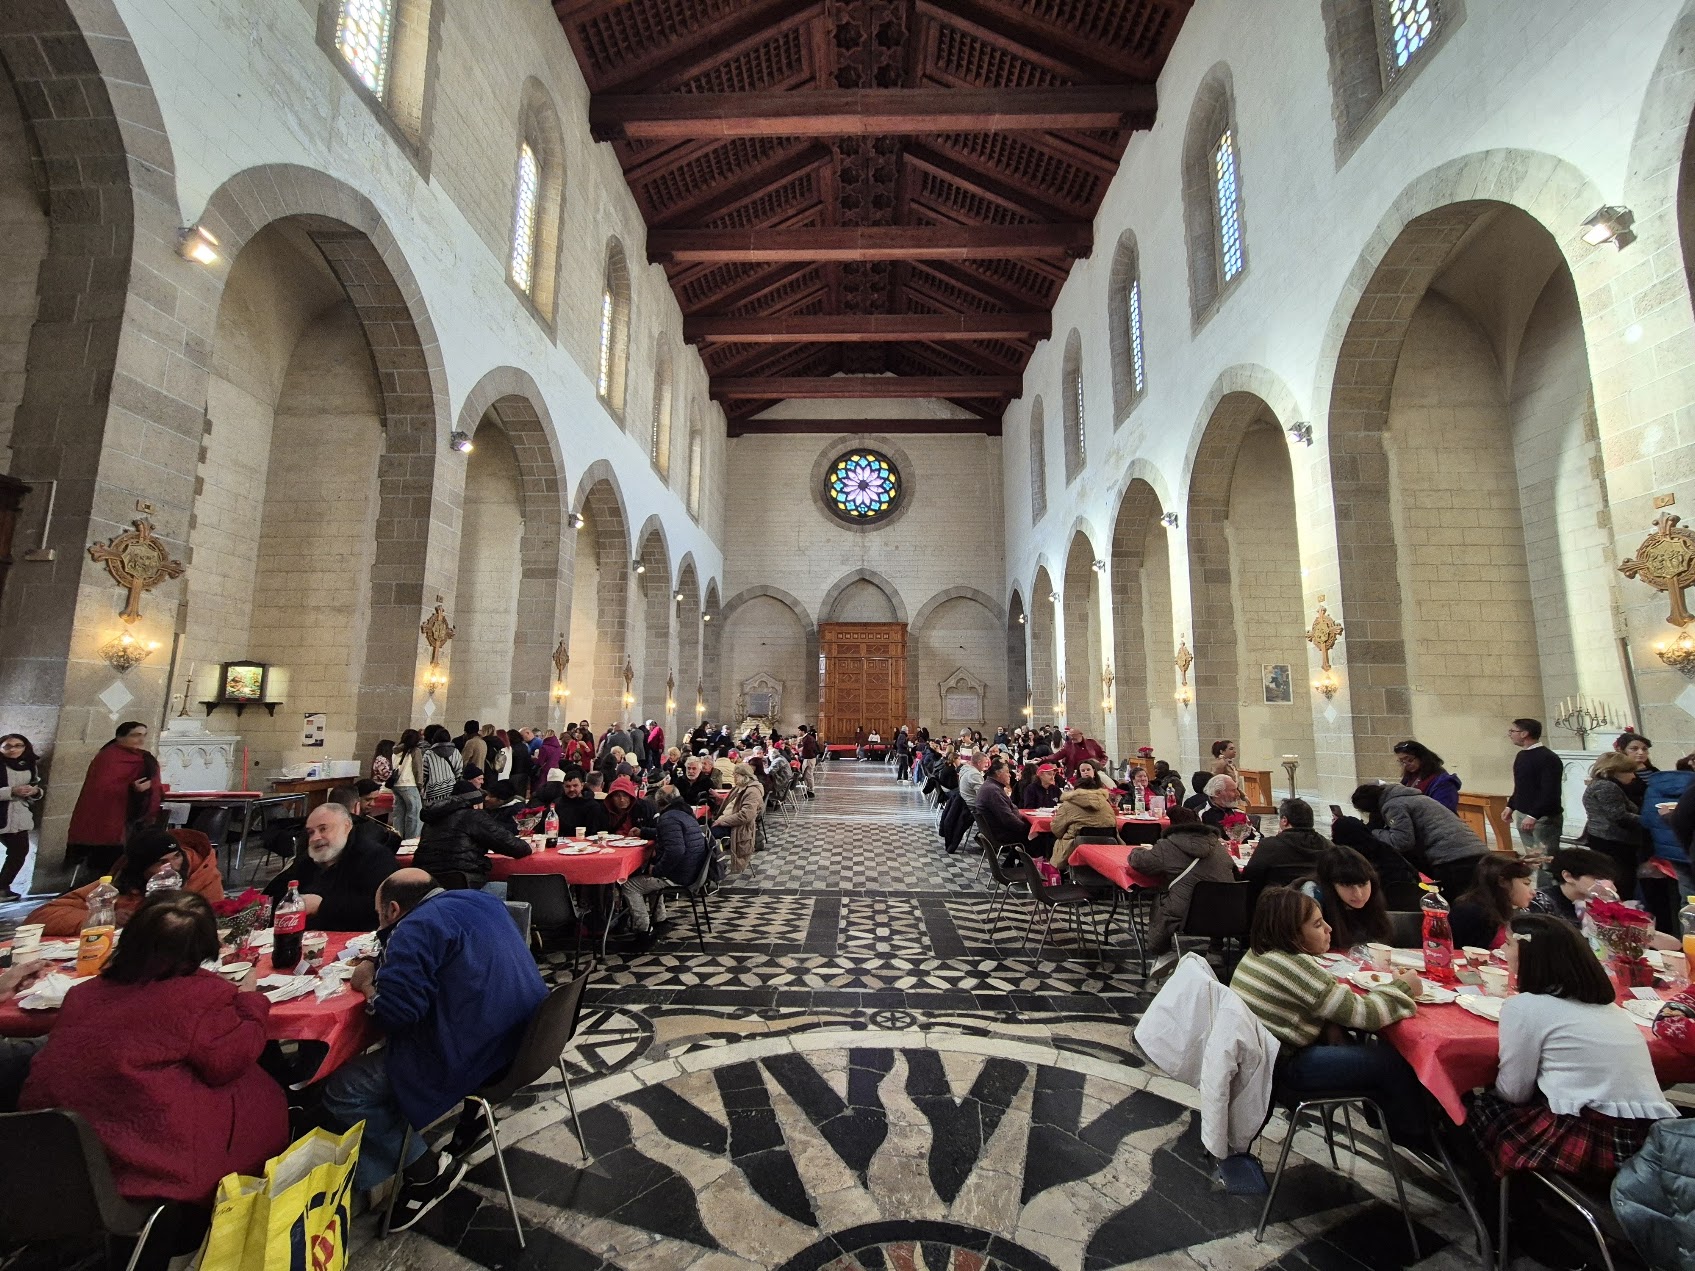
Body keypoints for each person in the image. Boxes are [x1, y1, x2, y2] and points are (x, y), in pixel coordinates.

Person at [20, 891, 289, 1216]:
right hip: (146, 1169)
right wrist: (251, 1000)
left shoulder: (81, 994)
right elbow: (228, 1061)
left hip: (51, 1156)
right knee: (260, 1094)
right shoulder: (201, 996)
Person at [321, 871, 546, 1221]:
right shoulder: (482, 900)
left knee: (344, 1088)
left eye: (380, 917)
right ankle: (388, 1155)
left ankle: (427, 1174)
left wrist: (367, 984)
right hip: (530, 1036)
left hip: (480, 1053)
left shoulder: (415, 928)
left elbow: (395, 1015)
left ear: (393, 909)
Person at [1467, 913, 1676, 1178]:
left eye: (1508, 944)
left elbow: (1514, 1092)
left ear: (1528, 955)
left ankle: (1497, 1204)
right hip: (1647, 1139)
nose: (1501, 950)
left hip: (1584, 1139)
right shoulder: (1611, 1009)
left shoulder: (1524, 1006)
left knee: (1475, 1109)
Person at [1231, 886, 1427, 1143]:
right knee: (1393, 1060)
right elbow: (1365, 1014)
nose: (1329, 929)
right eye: (1317, 924)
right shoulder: (1295, 967)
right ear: (1292, 934)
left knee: (1366, 1049)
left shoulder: (1262, 954)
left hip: (1264, 1062)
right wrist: (1404, 988)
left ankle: (1389, 1118)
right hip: (1286, 1069)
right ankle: (1417, 1134)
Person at [29, 826, 224, 936]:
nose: (173, 867)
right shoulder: (119, 883)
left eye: (176, 857)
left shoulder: (203, 877)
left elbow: (216, 923)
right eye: (161, 862)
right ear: (142, 869)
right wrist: (103, 918)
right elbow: (41, 917)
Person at [263, 802, 399, 930]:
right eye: (311, 832)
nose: (316, 837)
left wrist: (321, 906)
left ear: (347, 826)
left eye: (323, 829)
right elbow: (271, 897)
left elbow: (376, 910)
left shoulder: (375, 857)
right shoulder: (307, 861)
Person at [1341, 782, 1487, 901]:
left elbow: (1402, 841)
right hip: (1474, 851)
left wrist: (1373, 832)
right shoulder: (1409, 797)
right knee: (1482, 901)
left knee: (1460, 903)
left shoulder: (1393, 805)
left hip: (1453, 857)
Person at [1129, 807, 1235, 962]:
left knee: (1162, 900)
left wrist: (1136, 850)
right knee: (1216, 890)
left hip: (1186, 914)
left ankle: (1163, 953)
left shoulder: (1167, 846)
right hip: (1227, 912)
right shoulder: (1217, 845)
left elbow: (1141, 863)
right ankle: (1215, 950)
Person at [65, 720, 162, 878]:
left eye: (144, 736)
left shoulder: (144, 758)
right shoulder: (108, 757)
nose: (141, 740)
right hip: (107, 818)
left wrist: (147, 788)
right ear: (119, 736)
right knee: (102, 867)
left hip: (132, 819)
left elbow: (152, 784)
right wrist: (135, 790)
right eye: (135, 735)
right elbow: (101, 789)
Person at [620, 788, 710, 943]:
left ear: (659, 802)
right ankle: (660, 920)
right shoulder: (684, 813)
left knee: (629, 885)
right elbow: (668, 834)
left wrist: (657, 869)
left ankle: (643, 932)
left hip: (680, 875)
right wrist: (643, 832)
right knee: (650, 880)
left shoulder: (668, 818)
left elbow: (676, 850)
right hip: (695, 871)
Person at [414, 779, 531, 890]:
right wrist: (528, 846)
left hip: (426, 883)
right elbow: (513, 846)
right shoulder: (474, 816)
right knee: (512, 889)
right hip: (463, 881)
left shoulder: (432, 819)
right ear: (475, 803)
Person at [1297, 846, 1393, 951]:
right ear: (1330, 885)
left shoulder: (1373, 898)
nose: (1358, 894)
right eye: (1347, 885)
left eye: (1363, 884)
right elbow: (1308, 947)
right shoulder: (1313, 896)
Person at [1581, 751, 1647, 891]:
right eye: (1629, 772)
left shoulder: (1601, 784)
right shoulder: (1607, 787)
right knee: (1621, 882)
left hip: (1604, 838)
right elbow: (1619, 816)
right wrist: (1650, 820)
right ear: (1615, 772)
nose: (1633, 776)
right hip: (1613, 842)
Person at [1450, 852, 1535, 950]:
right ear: (1503, 882)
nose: (1533, 892)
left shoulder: (1506, 911)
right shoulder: (1471, 912)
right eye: (1526, 883)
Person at [1243, 798, 1330, 893]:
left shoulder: (1269, 846)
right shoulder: (1328, 845)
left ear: (1284, 820)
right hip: (1318, 903)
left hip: (1280, 903)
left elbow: (1249, 878)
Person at [1505, 717, 1563, 859]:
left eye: (1513, 731)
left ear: (1525, 733)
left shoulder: (1548, 757)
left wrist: (1533, 815)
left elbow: (1550, 791)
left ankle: (1549, 883)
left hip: (1543, 818)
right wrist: (1510, 806)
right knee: (1533, 859)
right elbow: (1521, 785)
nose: (1510, 734)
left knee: (1546, 860)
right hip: (1525, 814)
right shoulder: (1522, 755)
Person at [1528, 846, 1621, 928]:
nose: (1609, 886)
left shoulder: (1599, 904)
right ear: (1568, 876)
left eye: (1610, 880)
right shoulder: (1539, 902)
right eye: (1598, 879)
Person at [0, 732, 44, 900]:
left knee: (19, 851)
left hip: (18, 814)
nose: (13, 749)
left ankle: (3, 887)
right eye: (8, 746)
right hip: (3, 811)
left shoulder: (29, 764)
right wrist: (11, 791)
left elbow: (35, 784)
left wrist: (34, 791)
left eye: (18, 745)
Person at [1051, 768, 1117, 867]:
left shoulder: (1068, 805)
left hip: (1074, 851)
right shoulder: (1106, 804)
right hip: (1107, 850)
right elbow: (1114, 824)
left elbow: (1057, 830)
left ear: (1075, 789)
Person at [713, 763, 763, 874]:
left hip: (737, 827)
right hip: (726, 820)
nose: (733, 777)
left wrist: (722, 821)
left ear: (743, 776)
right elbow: (732, 805)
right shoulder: (739, 788)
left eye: (735, 775)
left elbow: (745, 815)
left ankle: (713, 866)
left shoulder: (752, 791)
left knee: (708, 836)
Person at [975, 756, 1031, 849]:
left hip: (995, 830)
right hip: (1000, 833)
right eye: (1007, 772)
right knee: (1041, 836)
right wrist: (1027, 828)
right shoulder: (993, 791)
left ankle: (1012, 861)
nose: (1010, 775)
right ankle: (1032, 862)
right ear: (998, 773)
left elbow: (1012, 809)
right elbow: (1007, 818)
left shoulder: (991, 786)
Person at [1393, 740, 1460, 812]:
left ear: (1421, 757)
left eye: (1410, 760)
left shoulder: (1443, 782)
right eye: (1402, 762)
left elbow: (1444, 811)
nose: (1406, 764)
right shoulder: (1409, 778)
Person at [390, 728, 425, 840]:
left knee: (398, 814)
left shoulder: (395, 750)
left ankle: (397, 838)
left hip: (396, 785)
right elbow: (418, 770)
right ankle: (411, 841)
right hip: (409, 784)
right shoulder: (415, 751)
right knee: (414, 815)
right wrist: (421, 786)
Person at [553, 768, 608, 836]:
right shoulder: (556, 805)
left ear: (582, 785)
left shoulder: (592, 806)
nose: (571, 789)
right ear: (563, 787)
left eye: (575, 785)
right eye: (568, 786)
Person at [604, 774, 657, 839]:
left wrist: (642, 832)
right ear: (611, 798)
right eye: (617, 796)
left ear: (631, 796)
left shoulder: (645, 808)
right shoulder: (604, 811)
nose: (622, 799)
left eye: (625, 795)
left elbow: (659, 831)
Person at [505, 723, 533, 796]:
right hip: (524, 773)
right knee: (521, 795)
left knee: (513, 794)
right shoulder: (524, 746)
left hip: (514, 773)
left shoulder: (511, 748)